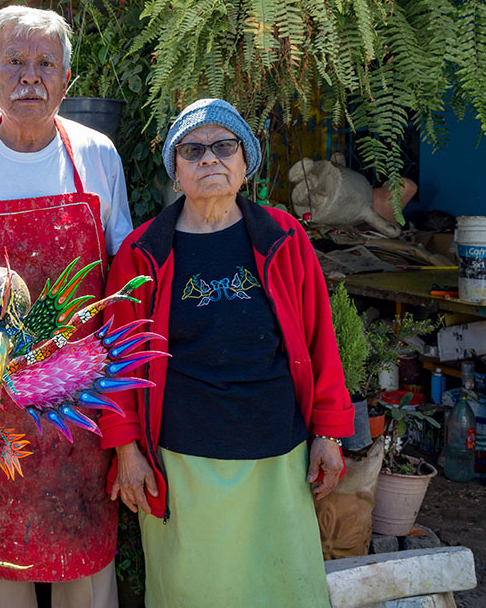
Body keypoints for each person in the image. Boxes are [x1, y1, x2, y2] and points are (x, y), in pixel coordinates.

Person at [0, 5, 133, 608]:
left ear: (67, 80)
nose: (29, 77)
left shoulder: (97, 155)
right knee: (0, 565)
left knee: (82, 566)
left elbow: (122, 276)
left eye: (45, 64)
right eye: (14, 62)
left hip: (79, 405)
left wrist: (126, 412)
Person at [98, 98, 354, 606]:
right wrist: (126, 450)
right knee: (194, 588)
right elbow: (115, 362)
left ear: (245, 162)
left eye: (223, 147)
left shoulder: (283, 237)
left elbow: (319, 337)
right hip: (183, 456)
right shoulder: (143, 252)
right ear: (175, 171)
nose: (209, 159)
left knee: (283, 585)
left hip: (276, 450)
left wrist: (328, 432)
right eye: (192, 150)